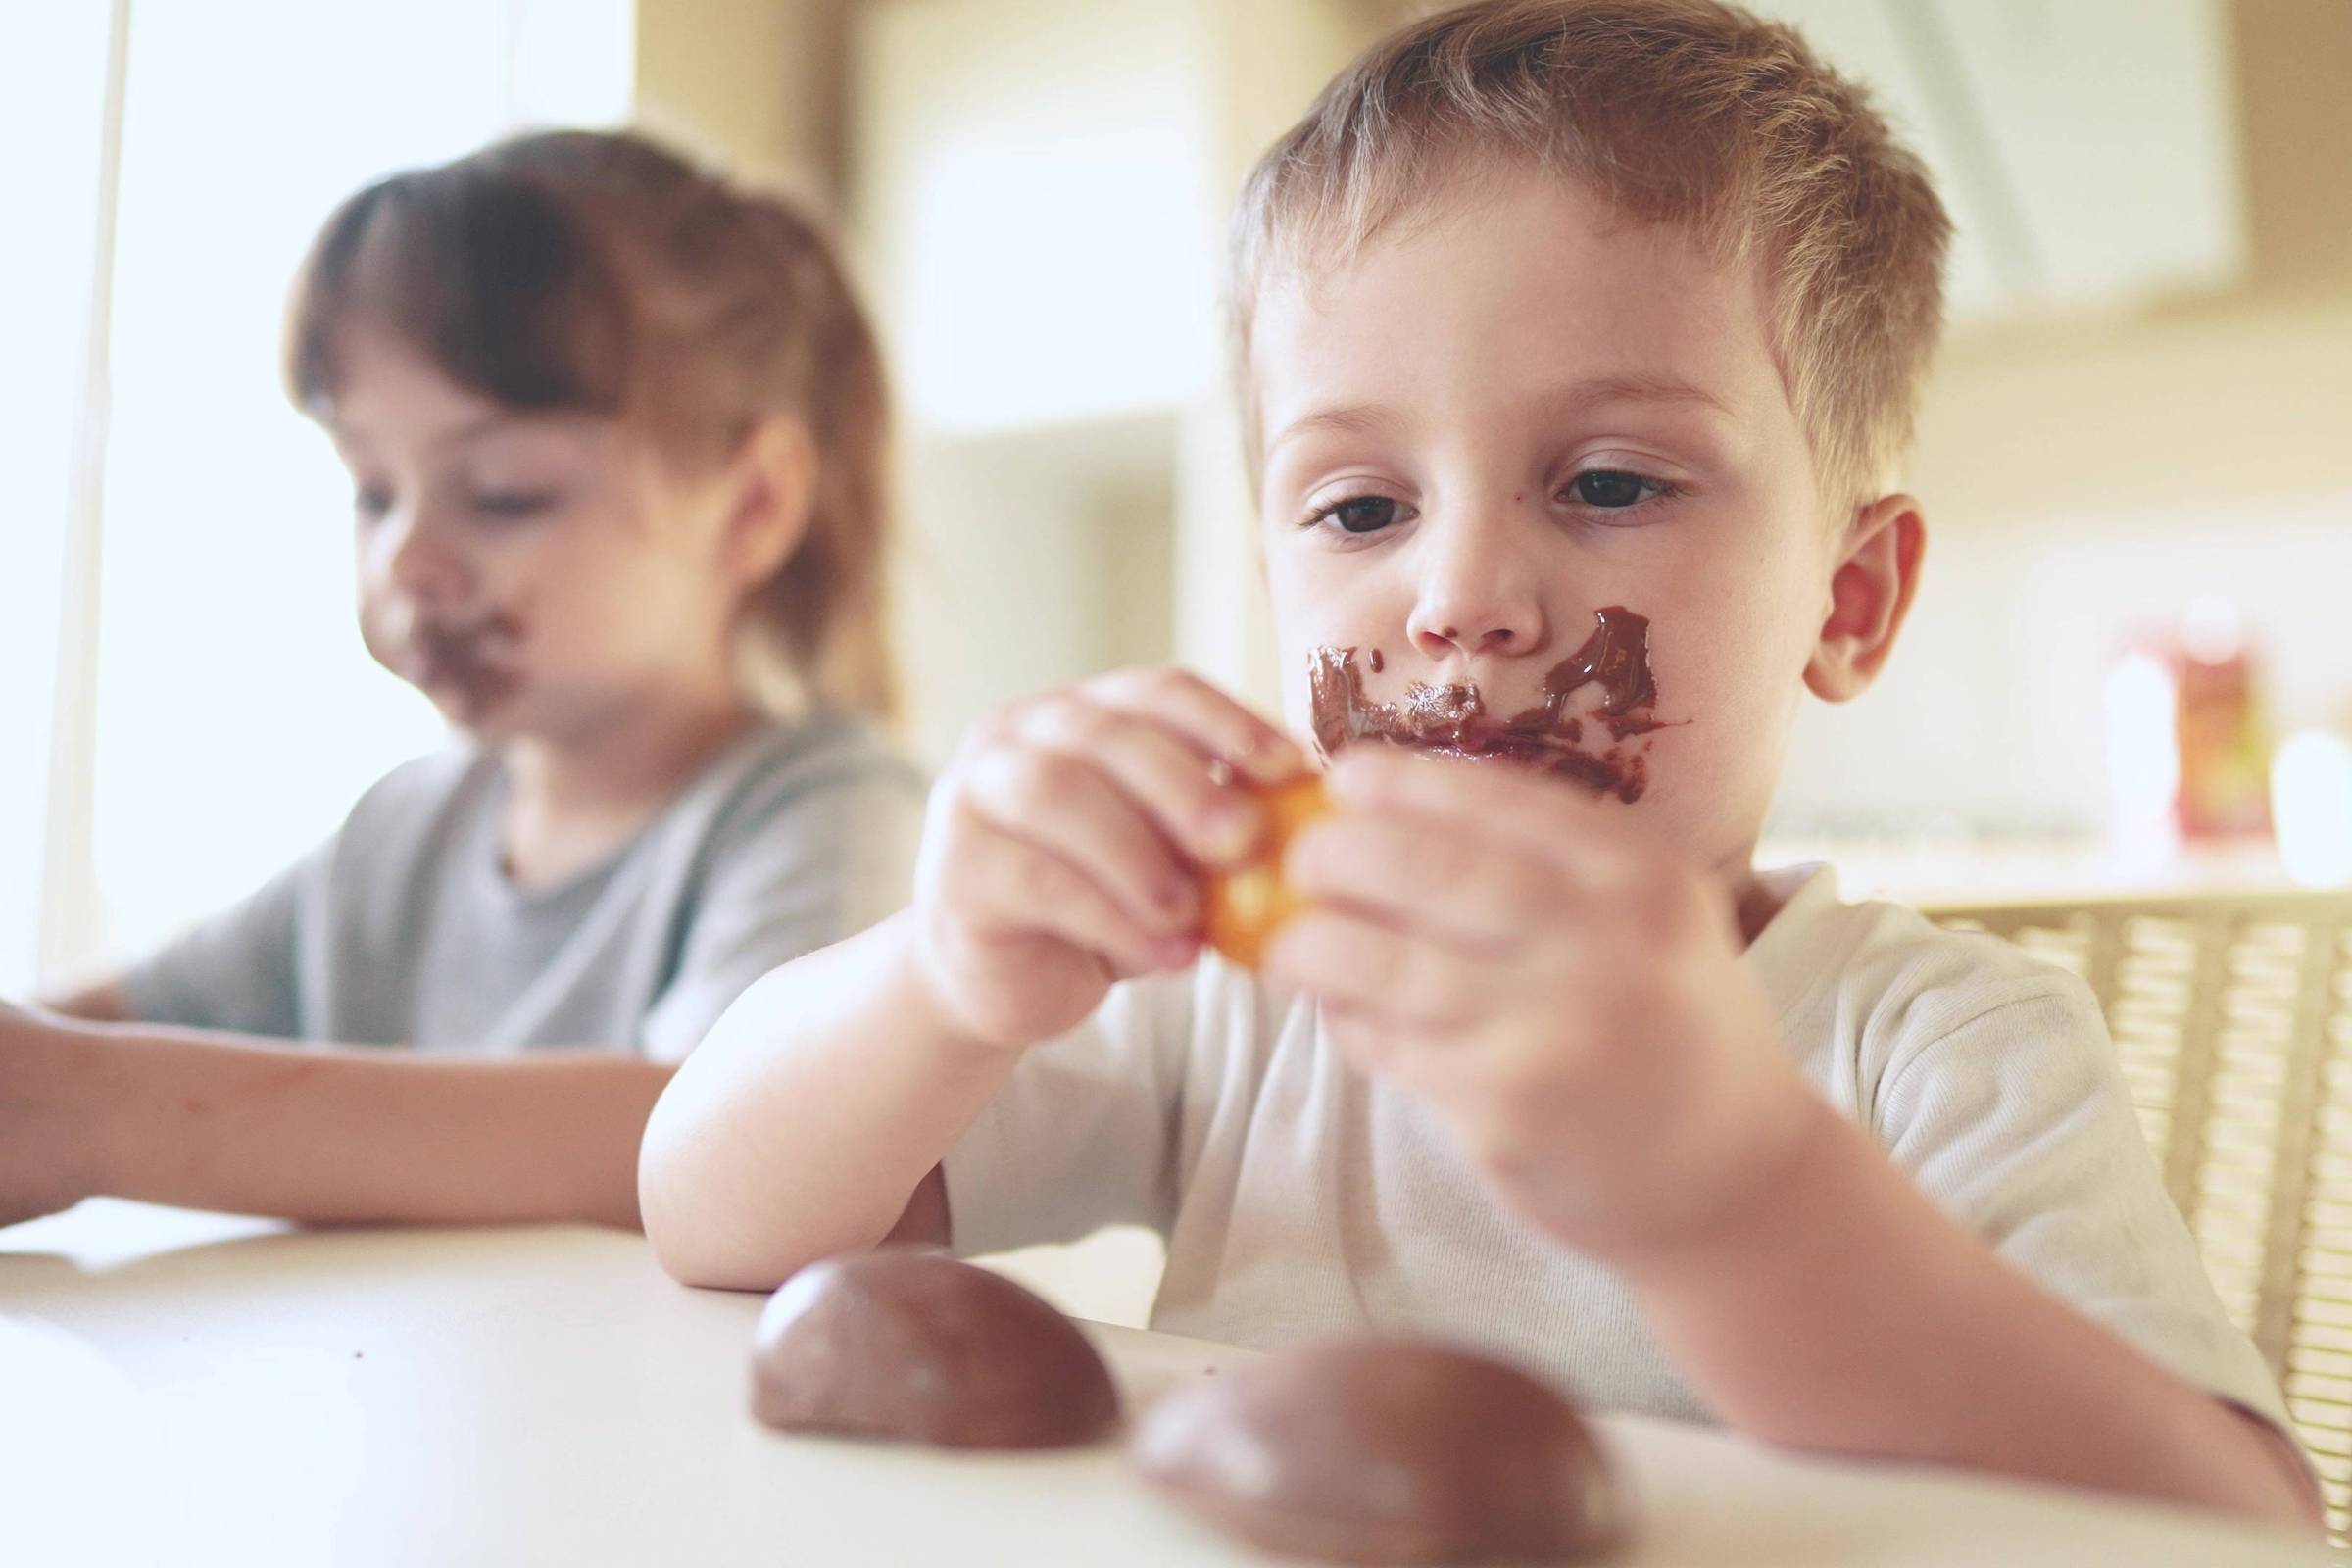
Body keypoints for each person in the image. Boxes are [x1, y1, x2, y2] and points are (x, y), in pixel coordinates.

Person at [636, 1, 2319, 1527]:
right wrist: (941, 979)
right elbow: (716, 1217)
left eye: (1609, 484)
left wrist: (1740, 1196)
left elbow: (2236, 1528)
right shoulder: (1235, 999)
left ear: (1850, 598)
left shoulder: (1935, 1054)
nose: (1460, 602)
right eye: (1362, 507)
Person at [5, 129, 922, 1232]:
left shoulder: (820, 807)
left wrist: (107, 1114)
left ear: (753, 506)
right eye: (373, 489)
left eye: (502, 493)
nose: (406, 560)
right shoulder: (405, 832)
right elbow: (77, 1043)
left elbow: (725, 1137)